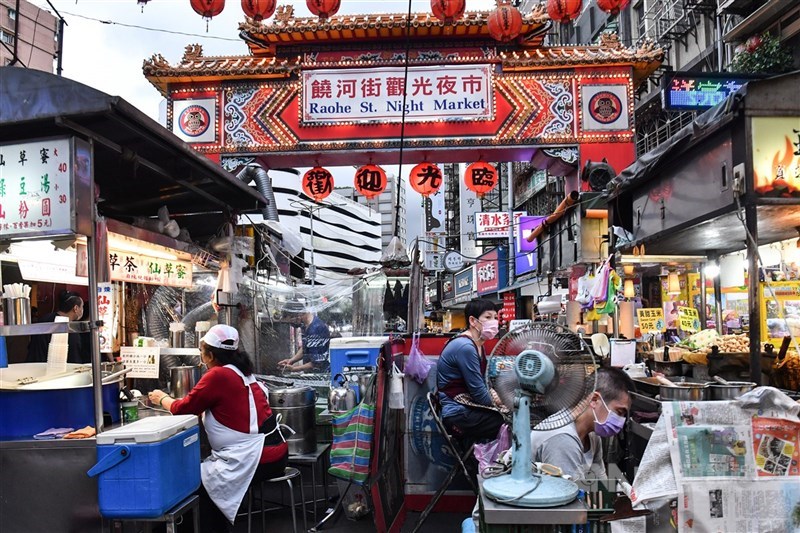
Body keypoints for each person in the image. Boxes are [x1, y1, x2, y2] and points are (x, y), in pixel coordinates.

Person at [148, 325, 288, 533]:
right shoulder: (243, 371)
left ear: (211, 355)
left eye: (202, 353)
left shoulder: (218, 376)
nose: (202, 358)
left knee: (194, 484)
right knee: (205, 479)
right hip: (273, 451)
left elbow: (183, 408)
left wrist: (162, 398)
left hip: (256, 456)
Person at [530, 366, 633, 482]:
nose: (621, 420)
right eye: (619, 412)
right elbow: (567, 493)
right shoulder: (563, 439)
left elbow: (601, 484)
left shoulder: (592, 435)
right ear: (594, 399)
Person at [436, 298, 505, 447]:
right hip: (458, 414)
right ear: (473, 321)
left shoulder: (478, 345)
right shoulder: (465, 347)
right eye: (487, 317)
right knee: (510, 421)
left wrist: (495, 395)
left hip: (466, 409)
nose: (493, 322)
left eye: (495, 318)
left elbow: (483, 382)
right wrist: (503, 401)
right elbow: (480, 394)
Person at [26, 290, 88, 364]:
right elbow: (74, 359)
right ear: (76, 308)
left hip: (32, 365)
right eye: (82, 306)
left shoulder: (44, 318)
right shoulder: (69, 328)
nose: (82, 310)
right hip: (49, 371)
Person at [277, 308, 331, 372]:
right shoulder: (305, 325)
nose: (292, 324)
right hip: (311, 372)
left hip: (321, 374)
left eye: (291, 321)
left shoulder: (316, 329)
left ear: (298, 315)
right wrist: (291, 360)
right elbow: (305, 347)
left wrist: (294, 369)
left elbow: (317, 363)